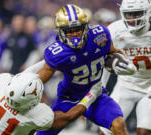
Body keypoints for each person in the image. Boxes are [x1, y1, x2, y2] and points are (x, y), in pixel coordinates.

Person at [35, 4, 136, 135]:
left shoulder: (100, 35)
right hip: (69, 98)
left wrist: (123, 61)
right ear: (60, 32)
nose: (75, 34)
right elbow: (41, 77)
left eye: (78, 29)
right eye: (69, 31)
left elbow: (114, 52)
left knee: (118, 124)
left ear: (86, 26)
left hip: (96, 95)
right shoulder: (57, 52)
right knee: (43, 133)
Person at [0, 60, 103, 135]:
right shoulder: (35, 115)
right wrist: (92, 94)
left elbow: (23, 77)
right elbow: (68, 117)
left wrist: (51, 60)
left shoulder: (1, 86)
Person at [100, 0, 151, 135]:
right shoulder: (115, 30)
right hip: (125, 85)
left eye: (137, 14)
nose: (133, 19)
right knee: (106, 131)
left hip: (149, 87)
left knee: (143, 132)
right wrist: (101, 89)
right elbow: (105, 60)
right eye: (129, 14)